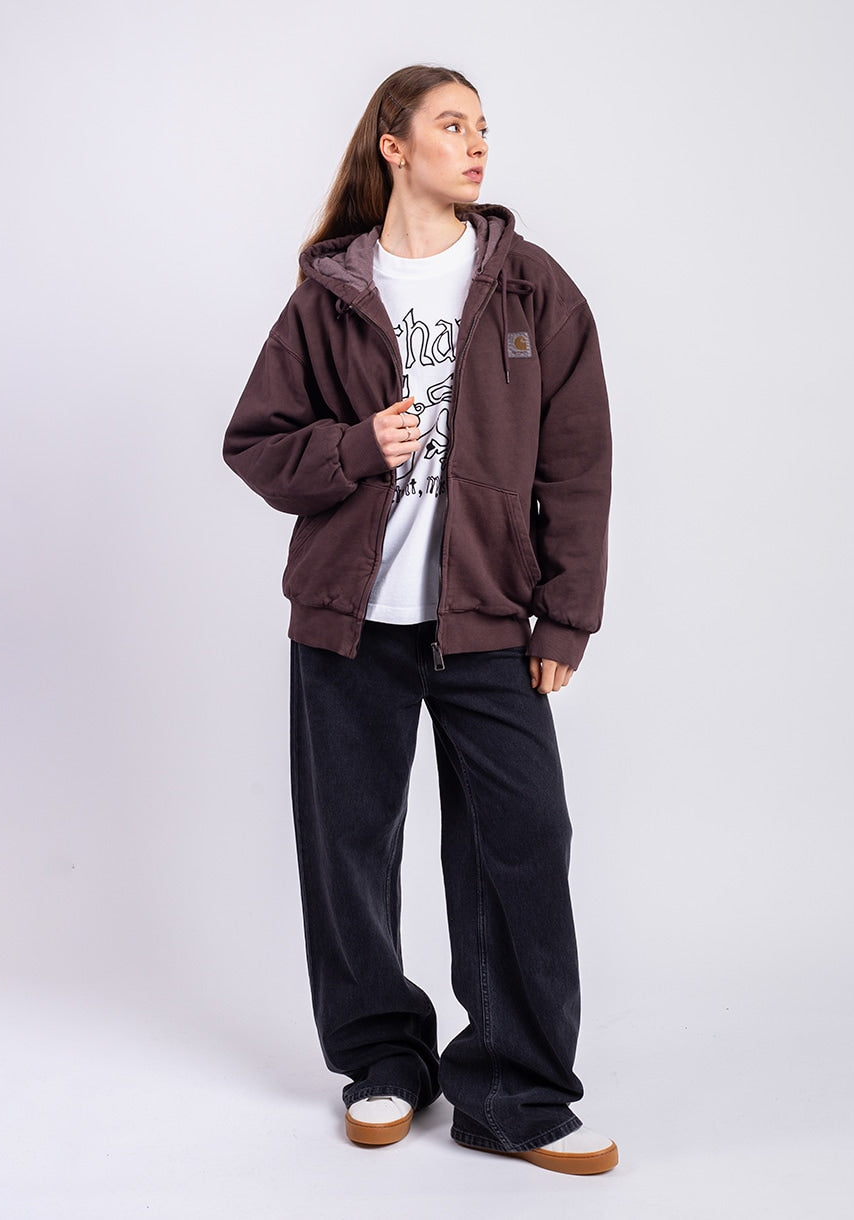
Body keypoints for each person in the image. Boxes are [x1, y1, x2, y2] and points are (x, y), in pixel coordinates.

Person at [223, 65, 615, 1176]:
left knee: (522, 844)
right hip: (350, 621)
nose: (477, 143)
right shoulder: (332, 293)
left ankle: (516, 1088)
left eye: (482, 126)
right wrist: (357, 447)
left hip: (488, 618)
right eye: (452, 125)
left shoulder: (533, 288)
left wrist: (565, 618)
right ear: (394, 146)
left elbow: (579, 465)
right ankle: (382, 1059)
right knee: (348, 848)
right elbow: (254, 442)